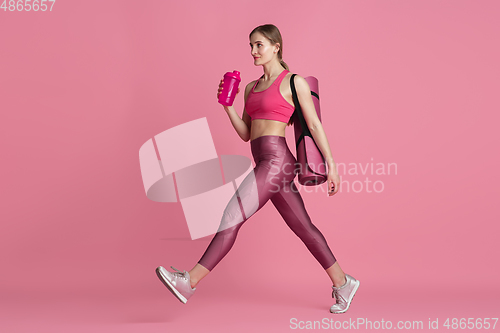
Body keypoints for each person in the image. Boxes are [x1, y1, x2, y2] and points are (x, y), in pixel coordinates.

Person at [156, 24, 359, 314]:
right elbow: (247, 134)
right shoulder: (251, 87)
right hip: (263, 160)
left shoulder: (293, 82)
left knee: (232, 214)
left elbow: (314, 125)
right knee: (304, 227)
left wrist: (333, 166)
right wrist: (226, 106)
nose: (253, 51)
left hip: (277, 160)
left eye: (259, 45)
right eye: (251, 45)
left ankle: (189, 281)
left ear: (276, 46)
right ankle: (343, 283)